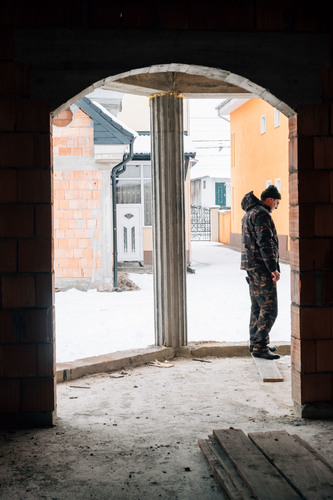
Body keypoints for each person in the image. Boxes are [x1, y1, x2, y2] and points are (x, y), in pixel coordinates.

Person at [240, 185, 281, 360]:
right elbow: (264, 242)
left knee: (257, 306)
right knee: (270, 308)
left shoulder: (249, 213)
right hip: (262, 267)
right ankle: (260, 346)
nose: (276, 207)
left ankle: (256, 342)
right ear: (270, 199)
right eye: (276, 202)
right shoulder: (261, 214)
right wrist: (273, 267)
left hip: (251, 266)